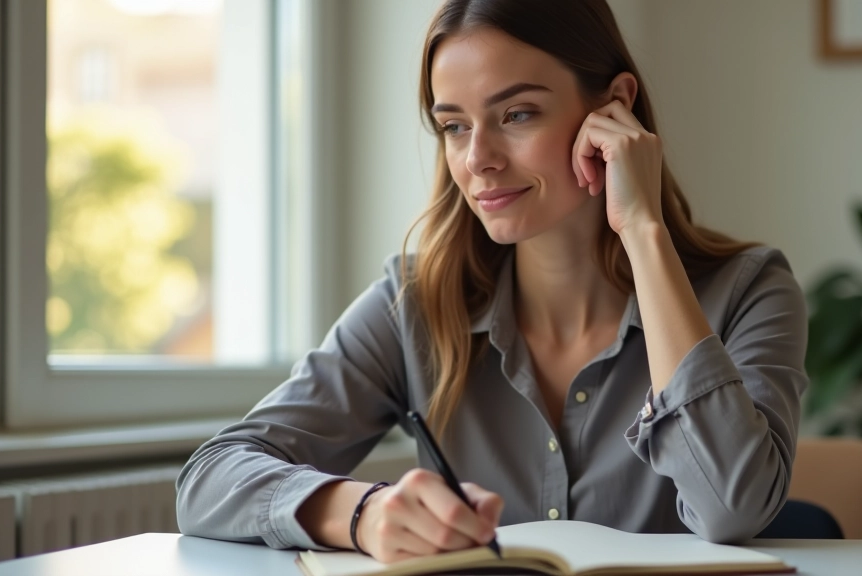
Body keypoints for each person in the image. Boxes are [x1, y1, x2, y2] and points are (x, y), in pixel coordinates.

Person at [176, 0, 808, 563]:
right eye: (454, 125)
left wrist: (643, 231)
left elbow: (732, 507)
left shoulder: (748, 291)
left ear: (614, 106)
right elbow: (209, 479)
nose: (478, 158)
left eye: (517, 114)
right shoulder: (416, 304)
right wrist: (364, 514)